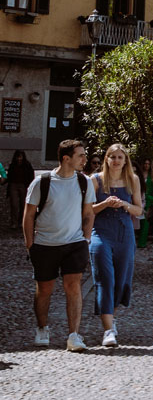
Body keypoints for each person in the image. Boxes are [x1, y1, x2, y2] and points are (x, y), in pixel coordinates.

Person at [23, 139, 96, 351]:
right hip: (45, 244)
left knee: (73, 287)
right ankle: (42, 328)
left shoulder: (84, 182)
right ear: (66, 158)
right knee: (45, 288)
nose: (85, 159)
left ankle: (74, 335)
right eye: (80, 155)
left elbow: (89, 213)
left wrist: (86, 239)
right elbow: (28, 216)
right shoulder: (42, 182)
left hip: (75, 243)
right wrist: (30, 245)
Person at [89, 143, 143, 347]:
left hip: (124, 232)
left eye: (120, 157)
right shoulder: (95, 180)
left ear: (125, 160)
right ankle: (108, 330)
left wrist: (124, 204)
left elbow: (138, 210)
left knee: (121, 279)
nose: (116, 161)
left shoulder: (133, 180)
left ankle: (112, 317)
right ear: (106, 159)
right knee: (105, 277)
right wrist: (104, 204)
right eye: (112, 157)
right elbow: (87, 210)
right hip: (101, 232)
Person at [8, 150, 36, 228]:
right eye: (18, 157)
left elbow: (31, 176)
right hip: (14, 185)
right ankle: (14, 222)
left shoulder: (27, 165)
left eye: (20, 157)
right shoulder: (12, 165)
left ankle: (21, 221)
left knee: (23, 205)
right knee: (14, 204)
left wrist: (30, 186)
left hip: (23, 186)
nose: (19, 159)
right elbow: (9, 176)